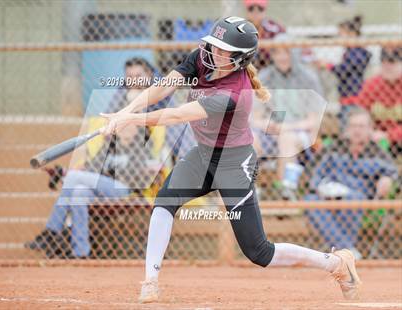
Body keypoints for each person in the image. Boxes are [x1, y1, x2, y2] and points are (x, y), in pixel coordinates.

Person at [101, 17, 361, 303]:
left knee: (259, 251)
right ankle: (150, 280)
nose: (214, 53)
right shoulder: (202, 57)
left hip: (232, 163)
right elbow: (165, 85)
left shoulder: (234, 93)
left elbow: (177, 115)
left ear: (239, 59)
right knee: (164, 201)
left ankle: (336, 263)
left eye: (223, 50)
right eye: (214, 45)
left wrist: (131, 120)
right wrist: (124, 111)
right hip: (201, 155)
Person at [25, 57, 164, 258]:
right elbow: (96, 163)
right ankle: (81, 252)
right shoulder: (113, 139)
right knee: (79, 192)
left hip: (125, 189)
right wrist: (67, 171)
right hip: (103, 185)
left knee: (74, 180)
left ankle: (51, 232)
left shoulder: (146, 137)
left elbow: (137, 171)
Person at [305, 107, 398, 259]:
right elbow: (315, 175)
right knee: (309, 201)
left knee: (353, 199)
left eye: (361, 127)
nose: (357, 131)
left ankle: (340, 251)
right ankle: (347, 250)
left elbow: (392, 172)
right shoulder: (334, 148)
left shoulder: (377, 152)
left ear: (370, 129)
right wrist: (319, 188)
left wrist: (387, 178)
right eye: (353, 126)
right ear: (347, 129)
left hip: (358, 198)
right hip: (329, 196)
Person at [254, 34, 325, 197]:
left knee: (287, 138)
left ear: (295, 53)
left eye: (287, 52)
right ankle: (249, 190)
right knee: (250, 137)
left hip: (301, 131)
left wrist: (287, 127)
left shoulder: (307, 78)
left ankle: (286, 190)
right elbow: (255, 117)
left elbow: (313, 121)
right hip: (272, 129)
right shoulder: (265, 77)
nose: (282, 57)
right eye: (277, 53)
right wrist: (267, 124)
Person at [348, 47, 402, 156]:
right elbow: (360, 112)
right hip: (375, 137)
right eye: (383, 61)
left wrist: (389, 135)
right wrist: (368, 132)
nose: (387, 66)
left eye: (392, 62)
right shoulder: (372, 84)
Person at [316, 16, 371, 103]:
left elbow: (344, 70)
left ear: (352, 34)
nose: (340, 38)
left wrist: (327, 65)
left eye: (341, 34)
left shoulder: (358, 52)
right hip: (346, 94)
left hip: (354, 96)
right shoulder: (350, 51)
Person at [244, 0, 285, 70]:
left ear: (265, 10)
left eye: (260, 9)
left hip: (271, 67)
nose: (255, 13)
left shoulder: (274, 28)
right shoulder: (241, 28)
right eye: (251, 9)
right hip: (247, 68)